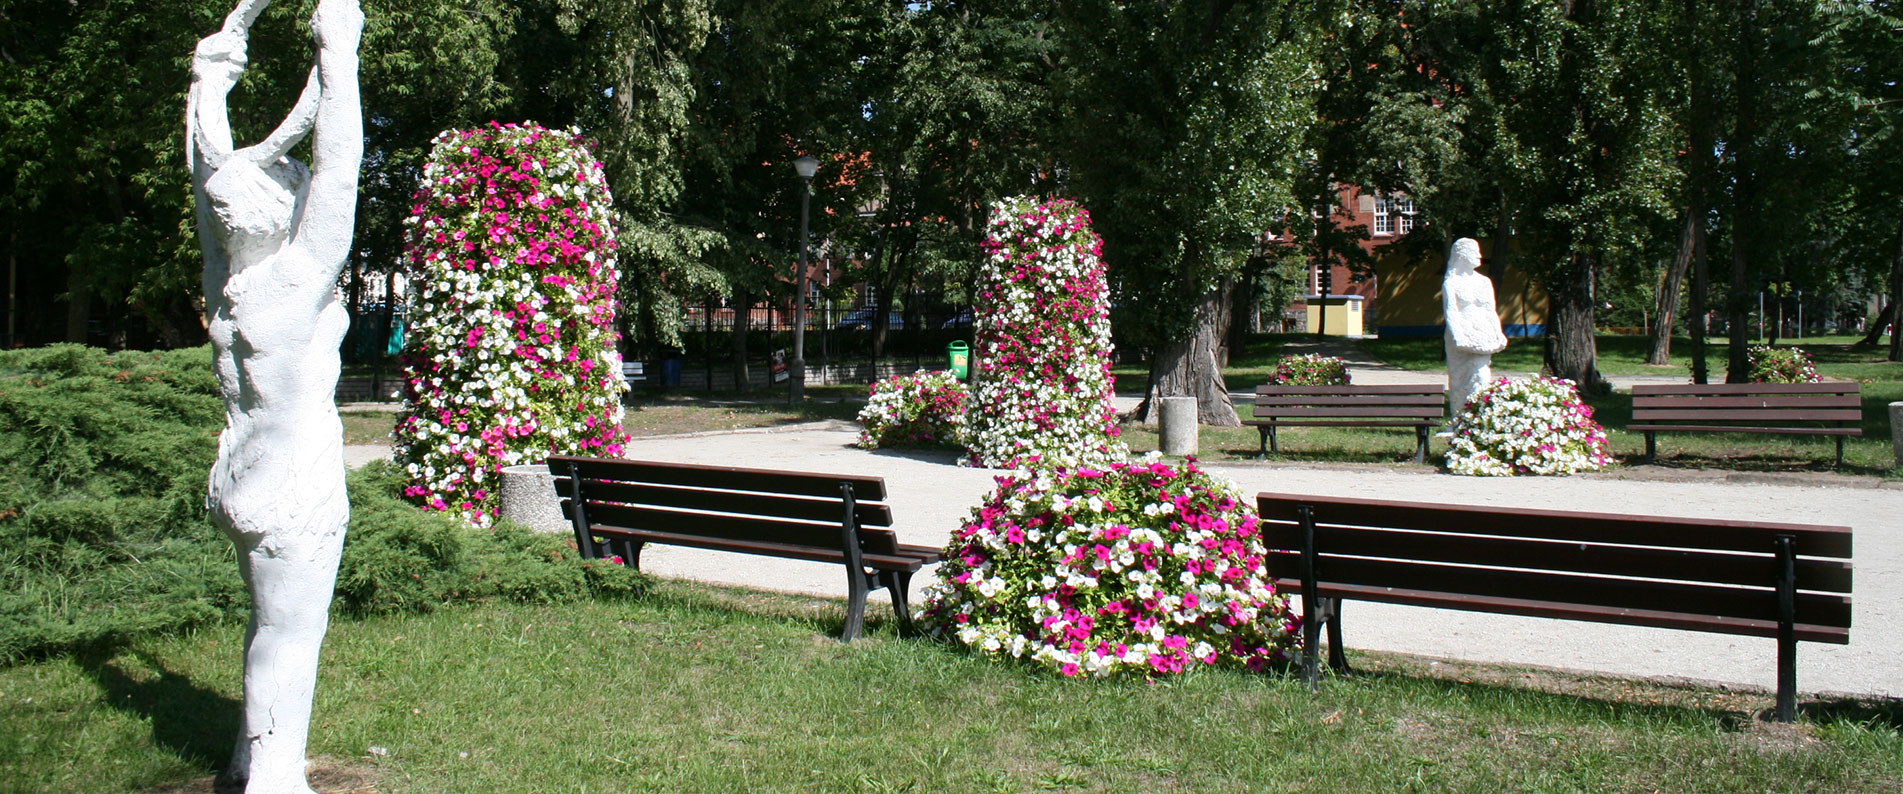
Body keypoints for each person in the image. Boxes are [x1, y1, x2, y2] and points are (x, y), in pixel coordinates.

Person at [188, 1, 363, 791]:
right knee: (291, 634)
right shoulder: (292, 286)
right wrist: (338, 52)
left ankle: (244, 755)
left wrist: (211, 77)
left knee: (265, 624)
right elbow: (340, 171)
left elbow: (207, 176)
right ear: (283, 208)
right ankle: (274, 777)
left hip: (238, 478)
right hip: (295, 489)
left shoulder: (229, 284)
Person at [1443, 238, 1507, 419]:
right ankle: (1460, 420)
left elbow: (1490, 311)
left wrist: (1498, 332)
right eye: (1474, 252)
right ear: (1462, 255)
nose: (1479, 256)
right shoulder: (1452, 283)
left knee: (1481, 376)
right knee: (1459, 379)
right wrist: (1459, 336)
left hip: (1482, 334)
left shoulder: (1484, 282)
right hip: (1461, 336)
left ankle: (1479, 419)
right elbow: (1451, 312)